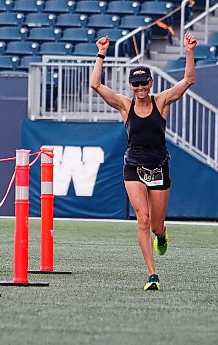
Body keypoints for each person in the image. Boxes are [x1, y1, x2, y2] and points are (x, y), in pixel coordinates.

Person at [89, 32, 197, 291]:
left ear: (150, 83)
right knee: (143, 218)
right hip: (133, 166)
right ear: (130, 86)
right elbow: (95, 85)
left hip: (159, 165)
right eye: (135, 85)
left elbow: (188, 80)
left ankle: (162, 235)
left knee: (157, 226)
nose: (139, 89)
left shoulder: (162, 102)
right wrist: (101, 53)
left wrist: (189, 51)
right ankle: (152, 275)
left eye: (143, 84)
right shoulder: (125, 106)